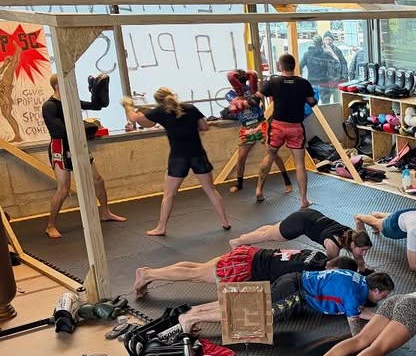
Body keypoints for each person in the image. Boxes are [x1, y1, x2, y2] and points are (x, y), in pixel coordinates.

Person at [123, 89, 229, 236]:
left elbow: (135, 118)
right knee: (211, 189)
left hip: (178, 158)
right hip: (198, 154)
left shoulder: (160, 111)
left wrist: (128, 105)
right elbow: (204, 126)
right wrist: (190, 128)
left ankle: (161, 228)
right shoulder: (190, 108)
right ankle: (225, 222)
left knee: (169, 195)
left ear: (158, 101)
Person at [179, 268, 394, 338]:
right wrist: (373, 340)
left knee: (243, 301)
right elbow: (356, 332)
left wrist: (384, 320)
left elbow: (359, 310)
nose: (381, 300)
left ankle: (194, 311)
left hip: (292, 279)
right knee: (248, 315)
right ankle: (192, 317)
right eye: (383, 296)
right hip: (294, 293)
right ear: (375, 290)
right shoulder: (354, 295)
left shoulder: (357, 278)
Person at [42, 73, 125, 238]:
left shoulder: (71, 101)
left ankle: (105, 212)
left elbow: (96, 106)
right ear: (58, 86)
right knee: (63, 188)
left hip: (78, 144)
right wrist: (84, 128)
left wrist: (95, 91)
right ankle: (50, 225)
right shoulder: (49, 106)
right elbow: (58, 131)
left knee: (98, 180)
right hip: (60, 146)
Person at [133, 245, 345, 298]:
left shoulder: (317, 255)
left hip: (249, 254)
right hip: (243, 267)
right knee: (195, 274)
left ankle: (150, 272)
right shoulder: (311, 271)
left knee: (199, 269)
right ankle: (148, 275)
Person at [257, 54, 316, 207]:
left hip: (277, 126)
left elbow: (255, 98)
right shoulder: (303, 83)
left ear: (280, 66)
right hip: (295, 127)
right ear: (294, 66)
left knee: (269, 156)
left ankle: (259, 190)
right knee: (300, 164)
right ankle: (304, 200)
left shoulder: (274, 82)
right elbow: (312, 102)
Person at [223, 69, 291, 196]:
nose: (242, 84)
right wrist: (242, 100)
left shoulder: (253, 89)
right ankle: (239, 184)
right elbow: (240, 104)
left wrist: (248, 99)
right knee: (241, 157)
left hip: (260, 124)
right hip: (246, 128)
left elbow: (253, 103)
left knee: (273, 153)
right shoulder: (229, 95)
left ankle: (287, 181)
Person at [231, 208, 372, 266]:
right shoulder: (332, 246)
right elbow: (331, 267)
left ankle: (245, 237)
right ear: (353, 245)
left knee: (271, 231)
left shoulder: (353, 235)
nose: (364, 253)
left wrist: (363, 271)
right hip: (300, 223)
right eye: (363, 250)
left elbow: (359, 259)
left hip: (311, 215)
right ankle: (237, 242)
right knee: (269, 235)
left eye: (366, 250)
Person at [356, 208, 416, 274]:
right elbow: (413, 265)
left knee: (389, 219)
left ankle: (378, 215)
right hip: (396, 225)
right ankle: (359, 217)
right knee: (378, 224)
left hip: (412, 213)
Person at [301, 32, 346, 104]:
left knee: (313, 104)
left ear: (313, 43)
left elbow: (300, 67)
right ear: (321, 42)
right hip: (324, 83)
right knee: (326, 104)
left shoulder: (306, 54)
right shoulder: (325, 54)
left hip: (312, 82)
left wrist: (301, 79)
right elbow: (337, 64)